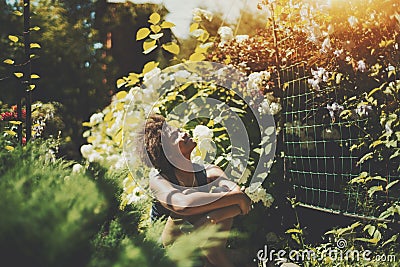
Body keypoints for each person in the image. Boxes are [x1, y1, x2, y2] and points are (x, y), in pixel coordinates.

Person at [143, 114, 252, 267]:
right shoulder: (159, 179)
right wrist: (229, 204)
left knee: (217, 194)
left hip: (201, 240)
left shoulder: (209, 171)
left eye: (180, 130)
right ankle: (212, 255)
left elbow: (238, 197)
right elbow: (183, 206)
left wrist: (215, 214)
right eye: (176, 135)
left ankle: (213, 255)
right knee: (188, 200)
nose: (185, 133)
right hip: (167, 252)